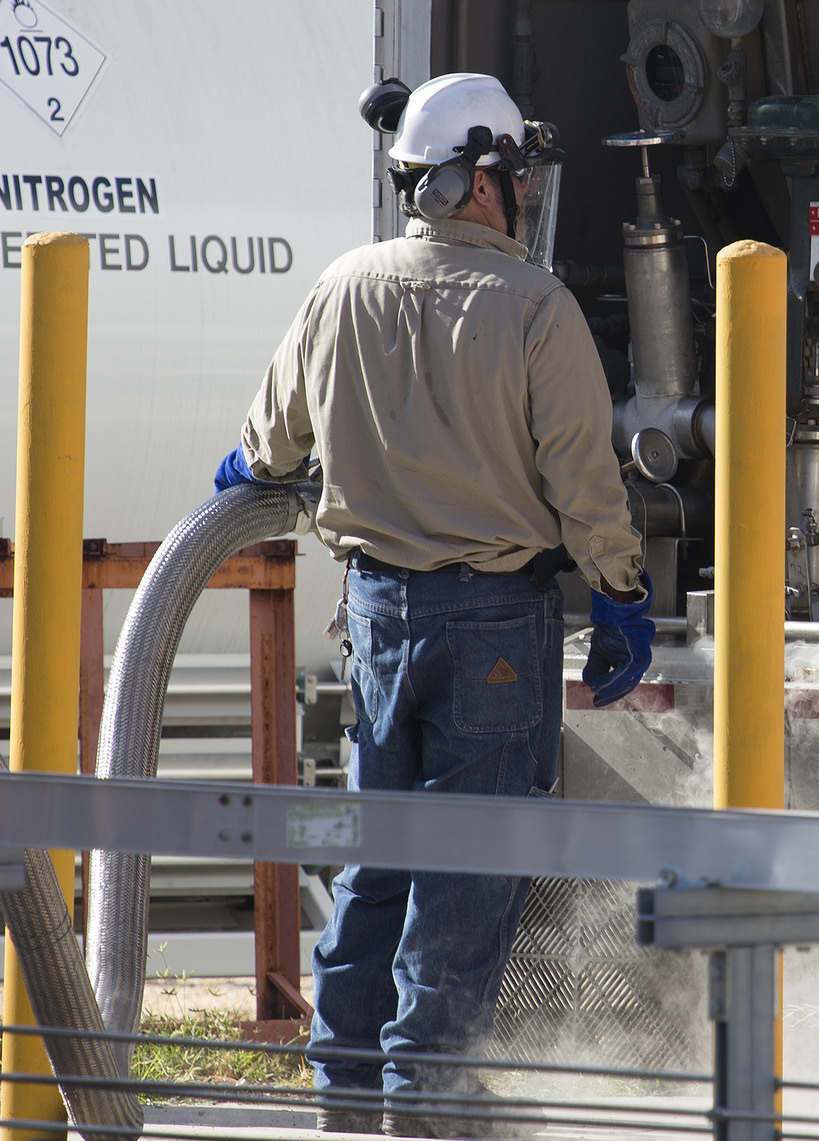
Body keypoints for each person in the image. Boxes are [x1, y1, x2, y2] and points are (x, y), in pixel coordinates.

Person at [216, 72, 656, 1139]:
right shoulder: (536, 311)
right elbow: (583, 483)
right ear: (476, 182)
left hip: (375, 620)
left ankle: (349, 1098)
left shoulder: (341, 288)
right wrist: (619, 598)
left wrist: (238, 473)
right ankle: (429, 1109)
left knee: (378, 859)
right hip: (496, 628)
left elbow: (266, 448)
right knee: (464, 878)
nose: (518, 195)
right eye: (511, 174)